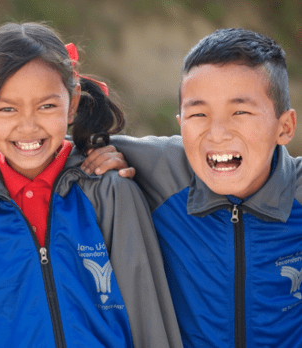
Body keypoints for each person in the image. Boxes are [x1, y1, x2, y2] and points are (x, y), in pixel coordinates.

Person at [0, 22, 182, 348]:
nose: (28, 126)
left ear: (73, 102)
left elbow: (148, 314)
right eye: (7, 109)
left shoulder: (110, 191)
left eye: (46, 106)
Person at [88, 28, 300, 347]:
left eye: (240, 112)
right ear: (180, 124)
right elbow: (37, 148)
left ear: (284, 127)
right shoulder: (157, 168)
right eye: (198, 114)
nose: (217, 133)